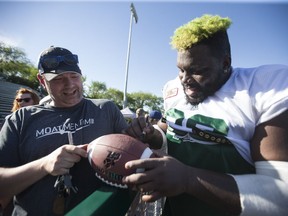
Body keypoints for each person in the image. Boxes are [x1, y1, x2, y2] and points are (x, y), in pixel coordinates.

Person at [123, 14, 288, 215]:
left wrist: (188, 179)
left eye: (197, 70)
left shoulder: (264, 87)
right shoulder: (172, 88)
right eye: (180, 70)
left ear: (225, 63)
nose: (185, 79)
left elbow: (281, 196)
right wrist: (153, 133)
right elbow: (171, 128)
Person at [0, 46, 137, 215]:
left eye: (74, 76)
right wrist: (44, 165)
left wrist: (145, 136)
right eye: (58, 78)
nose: (69, 84)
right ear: (42, 81)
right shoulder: (21, 119)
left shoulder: (106, 109)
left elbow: (132, 155)